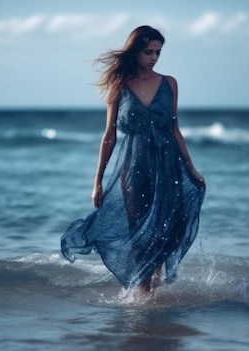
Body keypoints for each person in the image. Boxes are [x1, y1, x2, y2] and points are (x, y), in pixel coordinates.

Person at [61, 25, 206, 293]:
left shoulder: (169, 83)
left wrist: (191, 168)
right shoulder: (119, 86)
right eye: (148, 52)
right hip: (134, 168)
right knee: (140, 232)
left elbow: (174, 129)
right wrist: (98, 181)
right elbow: (109, 136)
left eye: (158, 53)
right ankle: (142, 295)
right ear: (135, 51)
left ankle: (154, 295)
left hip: (169, 168)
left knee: (164, 232)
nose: (153, 58)